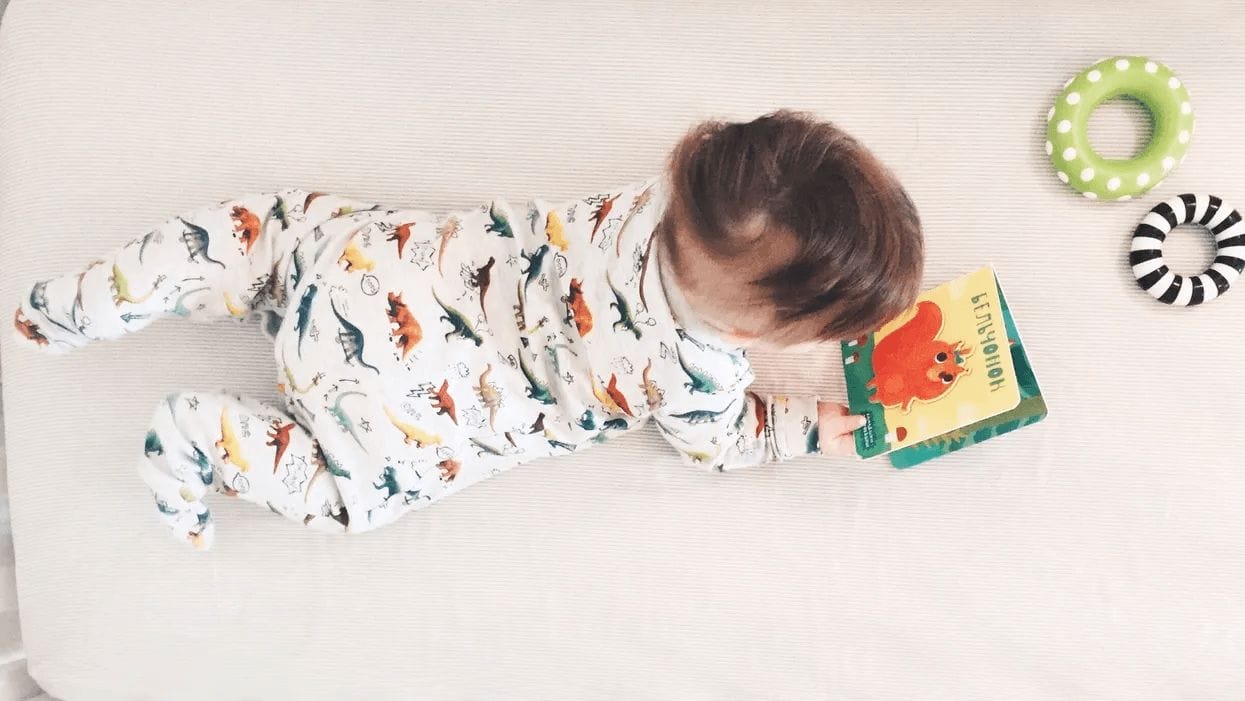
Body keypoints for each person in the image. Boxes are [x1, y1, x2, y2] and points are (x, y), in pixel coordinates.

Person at [12, 110, 924, 549]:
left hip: (359, 263)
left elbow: (770, 185)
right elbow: (720, 443)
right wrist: (807, 426)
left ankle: (94, 297)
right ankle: (201, 440)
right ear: (757, 325)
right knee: (350, 497)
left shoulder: (658, 199)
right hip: (388, 399)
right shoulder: (692, 374)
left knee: (265, 230)